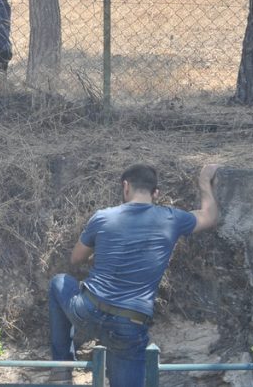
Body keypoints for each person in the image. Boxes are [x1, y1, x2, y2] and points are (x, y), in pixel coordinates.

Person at [48, 163, 221, 385]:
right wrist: (204, 182)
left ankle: (61, 369)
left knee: (59, 282)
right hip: (129, 324)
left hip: (88, 310)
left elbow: (76, 258)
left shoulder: (103, 217)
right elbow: (209, 216)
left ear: (126, 186)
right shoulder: (171, 219)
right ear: (155, 193)